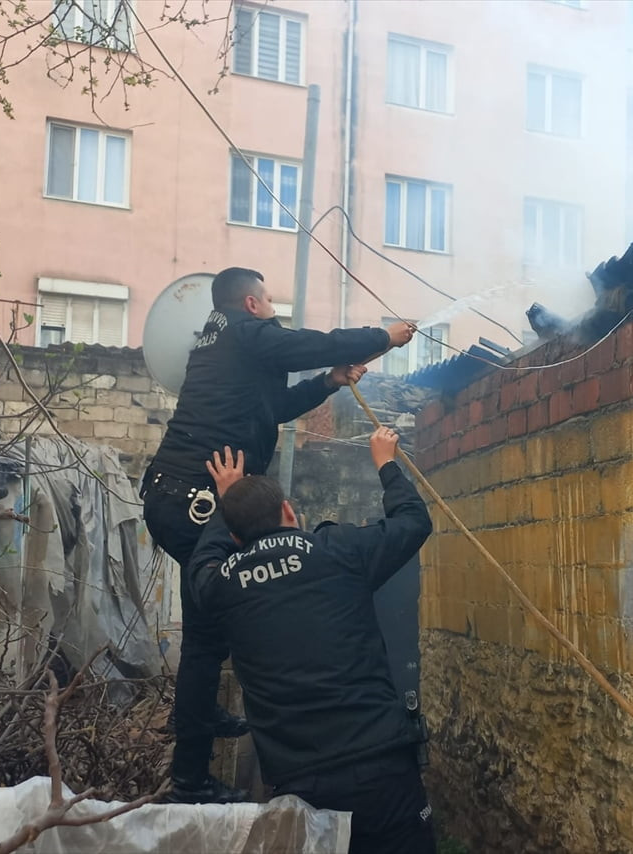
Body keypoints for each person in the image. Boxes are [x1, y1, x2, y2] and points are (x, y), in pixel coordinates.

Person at [141, 266, 415, 803]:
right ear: (250, 304)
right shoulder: (244, 332)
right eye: (268, 301)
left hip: (183, 496)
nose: (273, 309)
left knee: (206, 631)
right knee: (204, 634)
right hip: (195, 499)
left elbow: (273, 409)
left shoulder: (226, 347)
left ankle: (195, 724)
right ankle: (190, 778)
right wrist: (384, 337)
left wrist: (329, 383)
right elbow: (308, 344)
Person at [189, 434, 436, 853]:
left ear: (233, 537)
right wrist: (385, 463)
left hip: (302, 787)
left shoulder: (221, 585)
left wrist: (227, 503)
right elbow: (414, 521)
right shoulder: (339, 550)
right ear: (288, 510)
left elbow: (201, 565)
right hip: (382, 766)